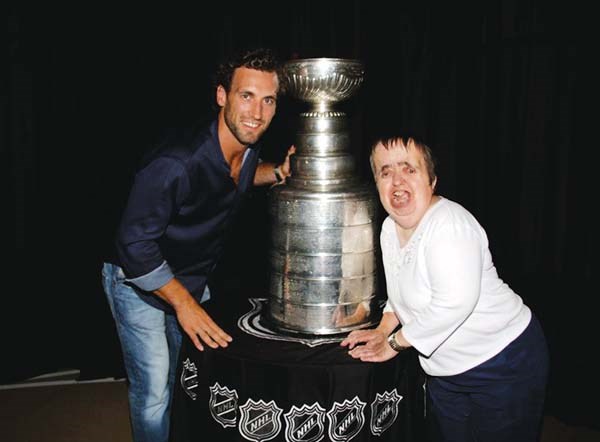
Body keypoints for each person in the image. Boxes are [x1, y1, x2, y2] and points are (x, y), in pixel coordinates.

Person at [101, 47, 295, 442]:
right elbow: (134, 245)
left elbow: (238, 176)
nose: (257, 112)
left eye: (268, 99)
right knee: (155, 391)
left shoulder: (246, 145)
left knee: (187, 377)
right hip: (135, 280)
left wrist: (276, 172)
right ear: (222, 96)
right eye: (246, 96)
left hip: (190, 276)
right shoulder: (176, 162)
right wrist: (185, 304)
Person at [340, 133, 549, 441]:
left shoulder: (449, 224)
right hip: (445, 373)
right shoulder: (389, 227)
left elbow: (455, 302)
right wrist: (383, 329)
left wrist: (394, 344)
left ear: (431, 181)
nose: (397, 181)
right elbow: (400, 293)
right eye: (385, 172)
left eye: (409, 169)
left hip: (504, 362)